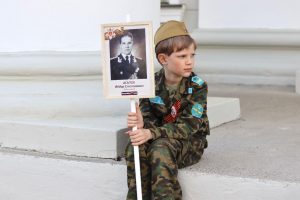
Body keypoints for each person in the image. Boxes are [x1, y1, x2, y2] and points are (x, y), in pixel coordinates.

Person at [125, 20, 210, 200]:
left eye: (192, 55)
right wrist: (142, 124)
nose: (189, 62)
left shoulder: (197, 86)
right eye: (182, 56)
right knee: (135, 147)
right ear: (163, 59)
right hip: (160, 137)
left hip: (189, 142)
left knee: (160, 148)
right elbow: (148, 120)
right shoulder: (150, 84)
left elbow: (188, 126)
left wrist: (150, 132)